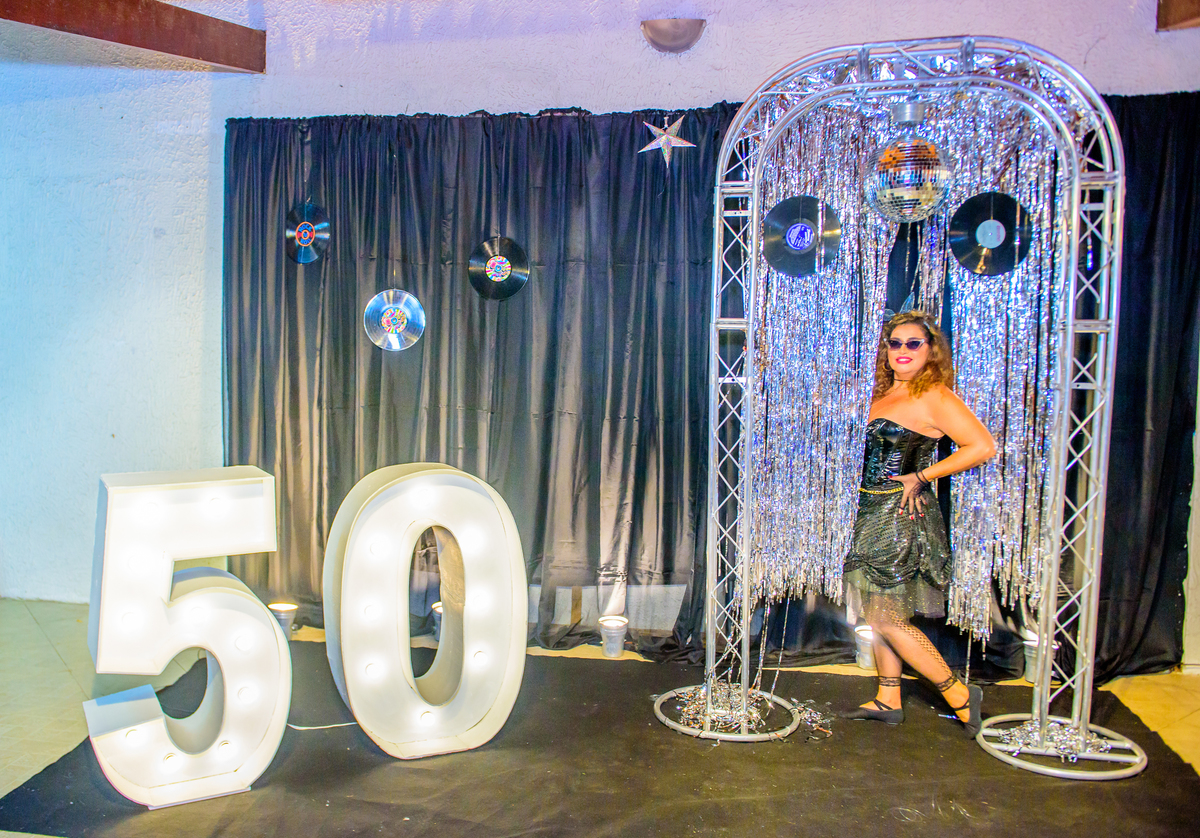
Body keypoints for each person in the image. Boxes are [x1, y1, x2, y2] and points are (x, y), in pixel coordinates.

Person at [841, 310, 996, 736]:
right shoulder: (882, 394)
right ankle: (888, 698)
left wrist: (923, 475)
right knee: (876, 610)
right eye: (895, 343)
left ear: (931, 351)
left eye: (913, 343)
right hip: (869, 510)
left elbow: (982, 446)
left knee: (887, 617)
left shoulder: (933, 395)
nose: (903, 350)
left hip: (900, 514)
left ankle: (958, 693)